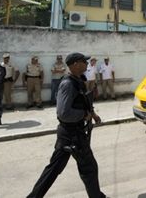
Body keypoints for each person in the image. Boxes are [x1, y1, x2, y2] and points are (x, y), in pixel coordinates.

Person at [27, 52, 106, 198]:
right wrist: (83, 115)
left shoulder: (78, 80)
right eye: (84, 61)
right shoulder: (67, 83)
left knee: (53, 169)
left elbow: (82, 100)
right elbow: (63, 113)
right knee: (89, 168)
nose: (87, 63)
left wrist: (92, 114)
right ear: (75, 64)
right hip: (72, 134)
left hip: (71, 133)